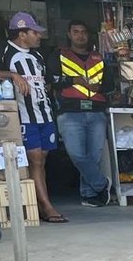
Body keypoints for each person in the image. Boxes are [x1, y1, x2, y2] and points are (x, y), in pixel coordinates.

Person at [0, 12, 67, 223]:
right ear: (22, 34)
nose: (39, 36)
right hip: (23, 116)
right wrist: (12, 75)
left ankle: (40, 204)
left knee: (41, 159)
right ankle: (46, 206)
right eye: (35, 32)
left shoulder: (38, 56)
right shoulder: (3, 50)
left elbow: (46, 81)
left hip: (44, 113)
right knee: (34, 158)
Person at [46, 20, 112, 207]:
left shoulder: (98, 58)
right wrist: (75, 80)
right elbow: (50, 79)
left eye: (83, 32)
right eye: (76, 32)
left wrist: (99, 87)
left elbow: (110, 84)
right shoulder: (59, 55)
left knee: (94, 156)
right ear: (69, 34)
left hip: (96, 112)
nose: (80, 35)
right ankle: (102, 184)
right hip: (70, 112)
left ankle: (89, 195)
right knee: (76, 154)